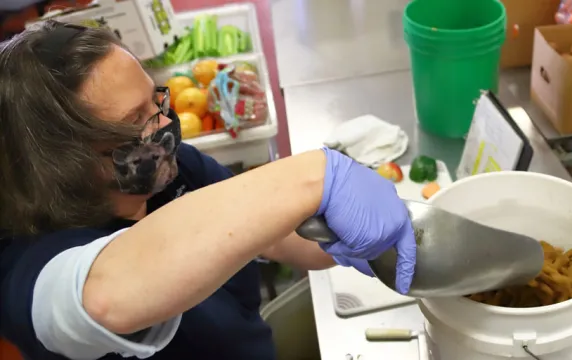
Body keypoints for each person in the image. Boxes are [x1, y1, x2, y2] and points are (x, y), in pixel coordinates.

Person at [0, 21, 417, 359]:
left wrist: (359, 239)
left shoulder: (170, 170)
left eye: (155, 102)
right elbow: (104, 297)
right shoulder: (26, 267)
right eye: (134, 122)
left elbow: (277, 234)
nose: (164, 126)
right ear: (63, 163)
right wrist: (315, 174)